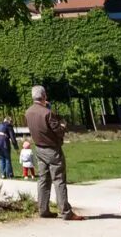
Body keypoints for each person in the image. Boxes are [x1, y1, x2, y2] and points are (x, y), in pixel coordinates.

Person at [25, 86, 82, 219]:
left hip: (39, 148)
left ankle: (43, 209)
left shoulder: (28, 112)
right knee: (59, 179)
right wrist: (62, 124)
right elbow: (58, 131)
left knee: (43, 179)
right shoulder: (47, 113)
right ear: (44, 96)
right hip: (52, 149)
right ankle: (65, 211)